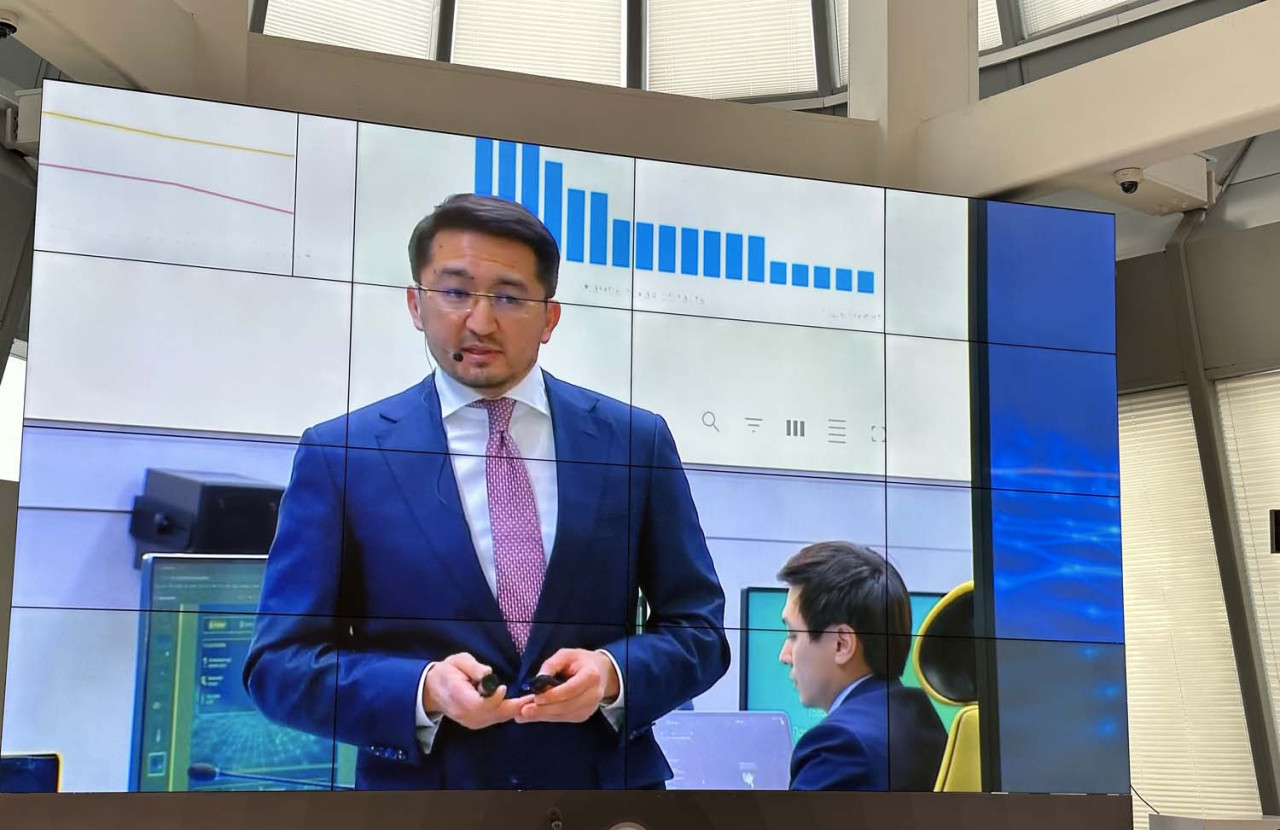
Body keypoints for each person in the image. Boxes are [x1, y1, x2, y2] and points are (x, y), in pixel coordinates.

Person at [244, 193, 729, 790]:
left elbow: (698, 631)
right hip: (423, 814)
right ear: (416, 305)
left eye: (508, 297)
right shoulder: (343, 455)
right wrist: (422, 691)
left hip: (605, 806)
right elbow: (279, 665)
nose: (479, 322)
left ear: (549, 317)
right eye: (455, 292)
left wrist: (612, 675)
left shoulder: (632, 442)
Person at [777, 541, 946, 791]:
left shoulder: (838, 747)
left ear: (841, 644)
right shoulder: (923, 720)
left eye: (793, 635)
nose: (784, 656)